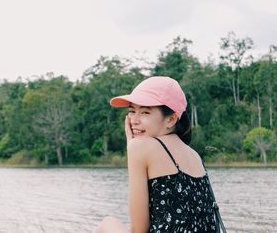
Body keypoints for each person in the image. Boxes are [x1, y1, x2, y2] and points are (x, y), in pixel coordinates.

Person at [93, 76, 218, 233]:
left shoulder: (140, 147)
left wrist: (131, 146)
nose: (134, 120)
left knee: (107, 223)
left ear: (171, 119)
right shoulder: (194, 155)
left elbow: (139, 230)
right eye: (132, 111)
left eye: (145, 112)